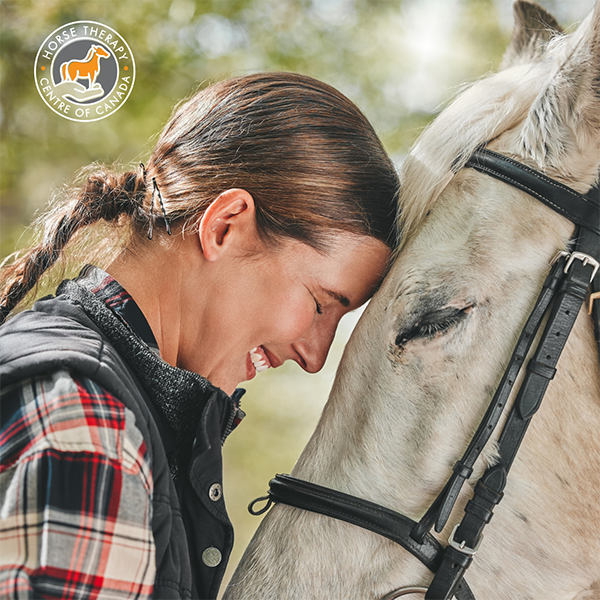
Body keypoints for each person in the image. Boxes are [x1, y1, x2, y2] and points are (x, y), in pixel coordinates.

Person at [0, 72, 398, 600]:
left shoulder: (101, 403)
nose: (315, 355)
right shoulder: (87, 432)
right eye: (322, 304)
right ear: (225, 226)